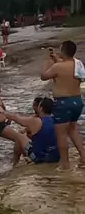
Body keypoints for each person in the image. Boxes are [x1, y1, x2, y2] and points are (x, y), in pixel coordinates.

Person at [40, 40, 85, 170]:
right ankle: (83, 155)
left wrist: (46, 62)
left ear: (63, 51)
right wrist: (56, 60)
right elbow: (66, 69)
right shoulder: (78, 64)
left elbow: (44, 76)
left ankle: (65, 164)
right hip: (77, 100)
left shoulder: (58, 67)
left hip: (63, 102)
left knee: (61, 134)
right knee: (72, 129)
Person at [0, 97, 60, 165]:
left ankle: (15, 163)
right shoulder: (57, 120)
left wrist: (2, 111)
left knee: (20, 137)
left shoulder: (36, 121)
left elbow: (16, 118)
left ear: (41, 108)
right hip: (57, 157)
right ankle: (23, 159)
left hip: (40, 158)